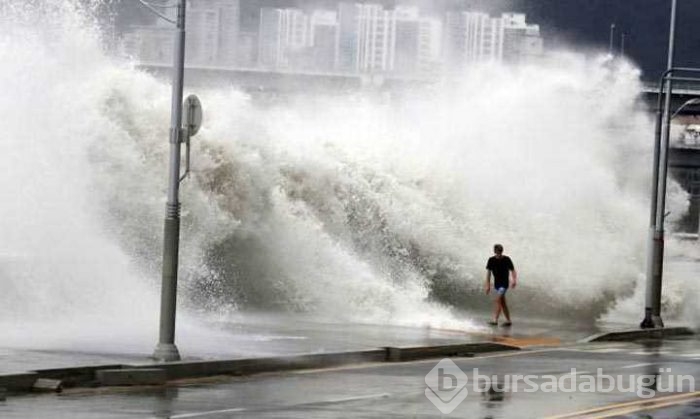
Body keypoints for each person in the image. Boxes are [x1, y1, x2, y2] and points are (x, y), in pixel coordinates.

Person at [485, 244, 518, 326]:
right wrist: (488, 285)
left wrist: (514, 280)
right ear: (495, 251)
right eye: (497, 251)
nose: (499, 253)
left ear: (502, 251)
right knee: (502, 302)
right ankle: (508, 321)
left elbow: (513, 270)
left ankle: (495, 320)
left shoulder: (507, 259)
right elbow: (488, 274)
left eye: (500, 251)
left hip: (504, 283)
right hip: (497, 284)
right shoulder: (491, 260)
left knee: (498, 300)